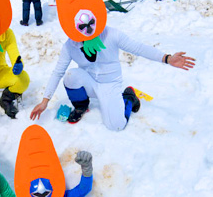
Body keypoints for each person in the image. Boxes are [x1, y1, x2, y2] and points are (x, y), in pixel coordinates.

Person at [30, 27, 196, 131]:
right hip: (89, 81)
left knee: (116, 125)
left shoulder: (111, 35)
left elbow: (138, 48)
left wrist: (166, 58)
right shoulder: (70, 45)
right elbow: (58, 71)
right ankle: (81, 106)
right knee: (70, 76)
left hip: (110, 84)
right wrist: (45, 101)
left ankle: (128, 97)